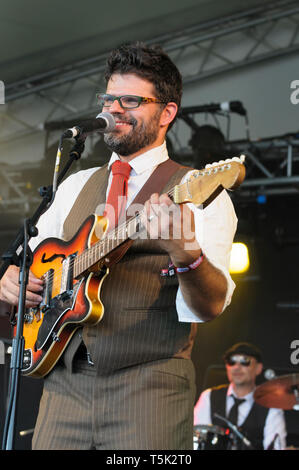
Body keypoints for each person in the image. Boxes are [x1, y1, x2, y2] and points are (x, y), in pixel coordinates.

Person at [0, 42, 238, 450]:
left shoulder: (197, 191)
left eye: (131, 100)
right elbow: (30, 265)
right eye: (109, 98)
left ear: (167, 113)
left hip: (149, 389)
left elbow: (209, 307)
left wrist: (186, 254)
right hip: (63, 386)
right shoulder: (75, 185)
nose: (114, 109)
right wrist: (11, 280)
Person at [194, 342, 287, 450]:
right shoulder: (208, 396)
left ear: (258, 368)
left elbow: (276, 447)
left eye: (244, 361)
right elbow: (197, 439)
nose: (237, 367)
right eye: (231, 361)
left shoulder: (271, 404)